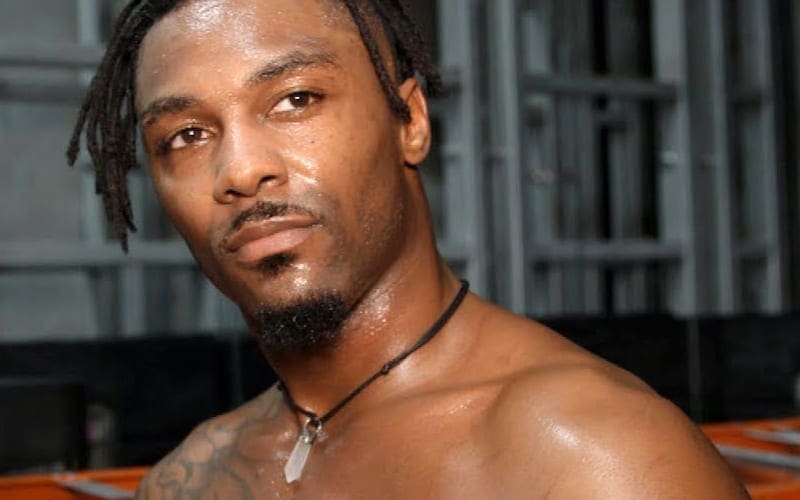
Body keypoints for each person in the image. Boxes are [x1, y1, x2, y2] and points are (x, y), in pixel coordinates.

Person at [67, 0, 749, 498]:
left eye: (296, 99)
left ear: (411, 122)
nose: (241, 170)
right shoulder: (188, 481)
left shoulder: (599, 458)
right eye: (185, 136)